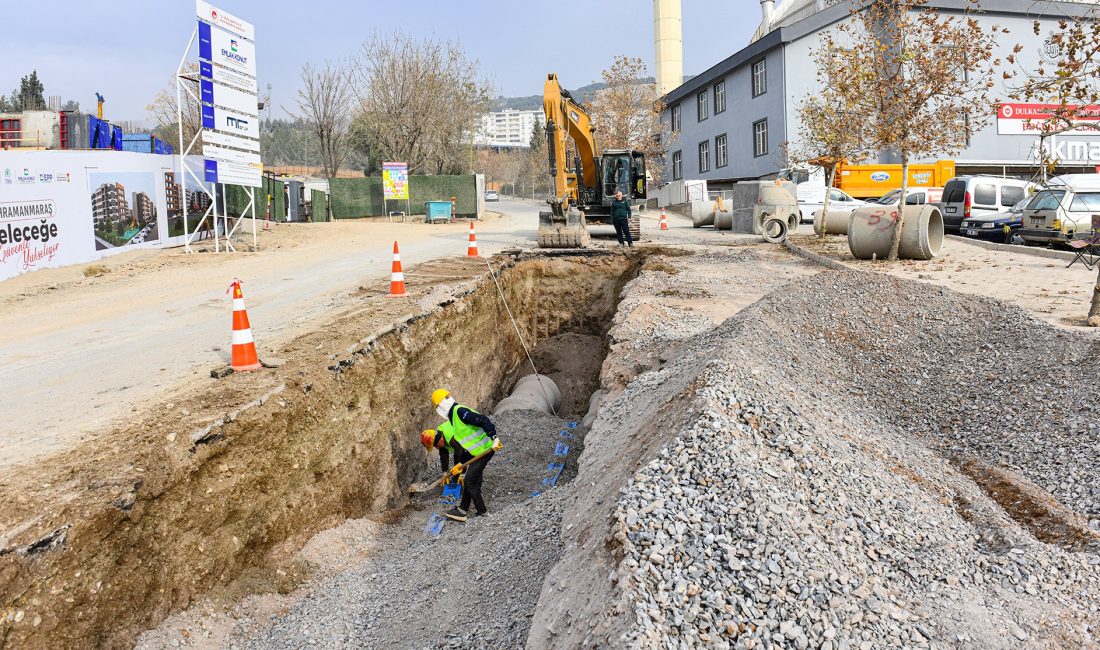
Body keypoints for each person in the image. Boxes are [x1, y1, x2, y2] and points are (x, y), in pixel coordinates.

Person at [430, 389, 501, 522]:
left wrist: (494, 437)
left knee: (469, 481)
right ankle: (462, 510)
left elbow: (483, 420)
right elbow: (467, 444)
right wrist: (460, 464)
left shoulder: (459, 412)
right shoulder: (453, 420)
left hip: (486, 449)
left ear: (441, 406)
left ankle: (483, 512)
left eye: (438, 407)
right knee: (473, 480)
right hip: (476, 452)